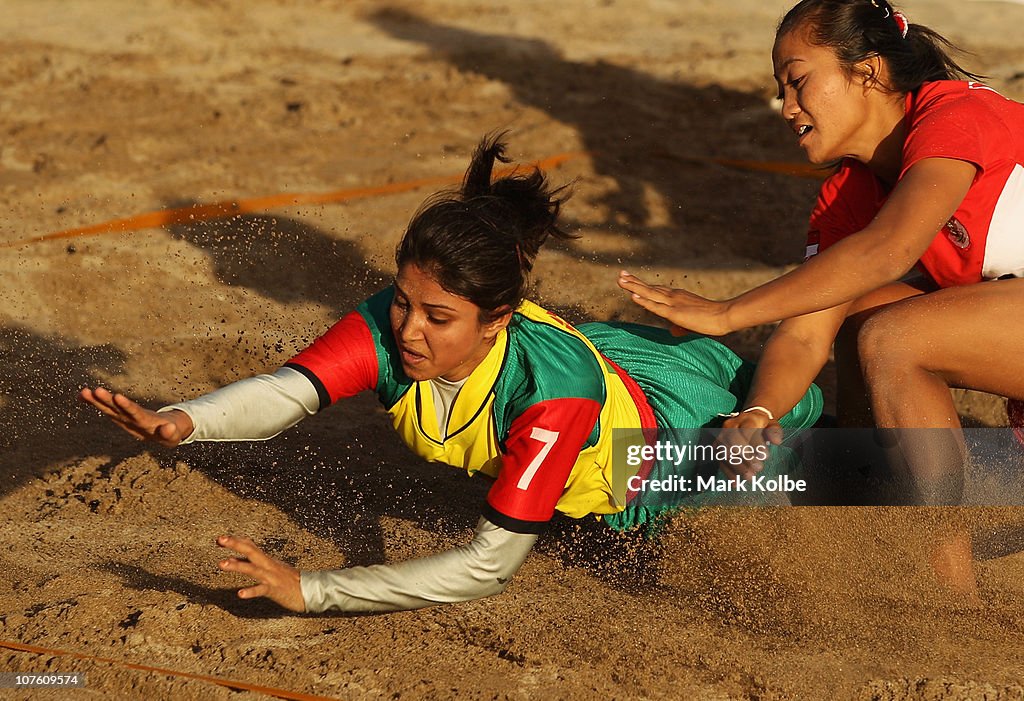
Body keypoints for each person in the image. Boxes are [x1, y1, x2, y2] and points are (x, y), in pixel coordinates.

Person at [80, 134, 822, 614]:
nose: (407, 330)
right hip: (592, 375)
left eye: (437, 317)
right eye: (404, 303)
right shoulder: (393, 319)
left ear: (496, 318)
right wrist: (182, 420)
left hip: (655, 450)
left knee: (822, 444)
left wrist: (312, 589)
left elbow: (484, 568)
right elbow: (287, 392)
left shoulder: (551, 395)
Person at [618, 0, 1024, 591]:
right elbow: (805, 330)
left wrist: (728, 313)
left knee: (894, 336)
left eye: (800, 80)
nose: (786, 107)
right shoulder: (846, 196)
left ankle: (947, 591)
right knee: (861, 319)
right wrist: (757, 414)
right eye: (781, 89)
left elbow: (890, 249)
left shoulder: (952, 112)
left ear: (871, 71)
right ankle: (872, 522)